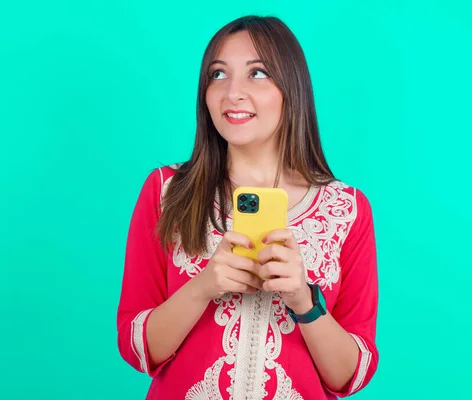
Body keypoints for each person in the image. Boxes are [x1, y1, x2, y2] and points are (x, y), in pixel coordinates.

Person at [116, 15, 379, 400]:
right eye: (218, 75)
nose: (232, 93)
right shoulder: (166, 190)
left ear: (292, 88)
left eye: (257, 73)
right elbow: (137, 348)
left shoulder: (347, 210)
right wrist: (204, 287)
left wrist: (304, 303)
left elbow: (350, 377)